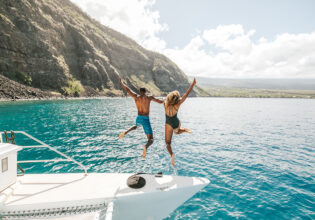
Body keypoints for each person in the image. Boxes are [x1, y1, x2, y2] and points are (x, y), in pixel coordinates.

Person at [117, 74, 163, 158]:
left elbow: (128, 90)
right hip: (145, 119)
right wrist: (165, 100)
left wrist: (121, 83)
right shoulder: (149, 98)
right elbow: (160, 102)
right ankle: (146, 146)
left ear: (139, 92)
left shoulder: (136, 97)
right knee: (151, 139)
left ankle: (125, 132)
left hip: (139, 117)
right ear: (145, 92)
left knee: (136, 126)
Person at [164, 78, 196, 166]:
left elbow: (163, 100)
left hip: (168, 123)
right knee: (177, 132)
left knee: (167, 144)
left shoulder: (165, 104)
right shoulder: (177, 105)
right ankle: (184, 130)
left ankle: (172, 154)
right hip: (176, 122)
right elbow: (186, 95)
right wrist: (192, 85)